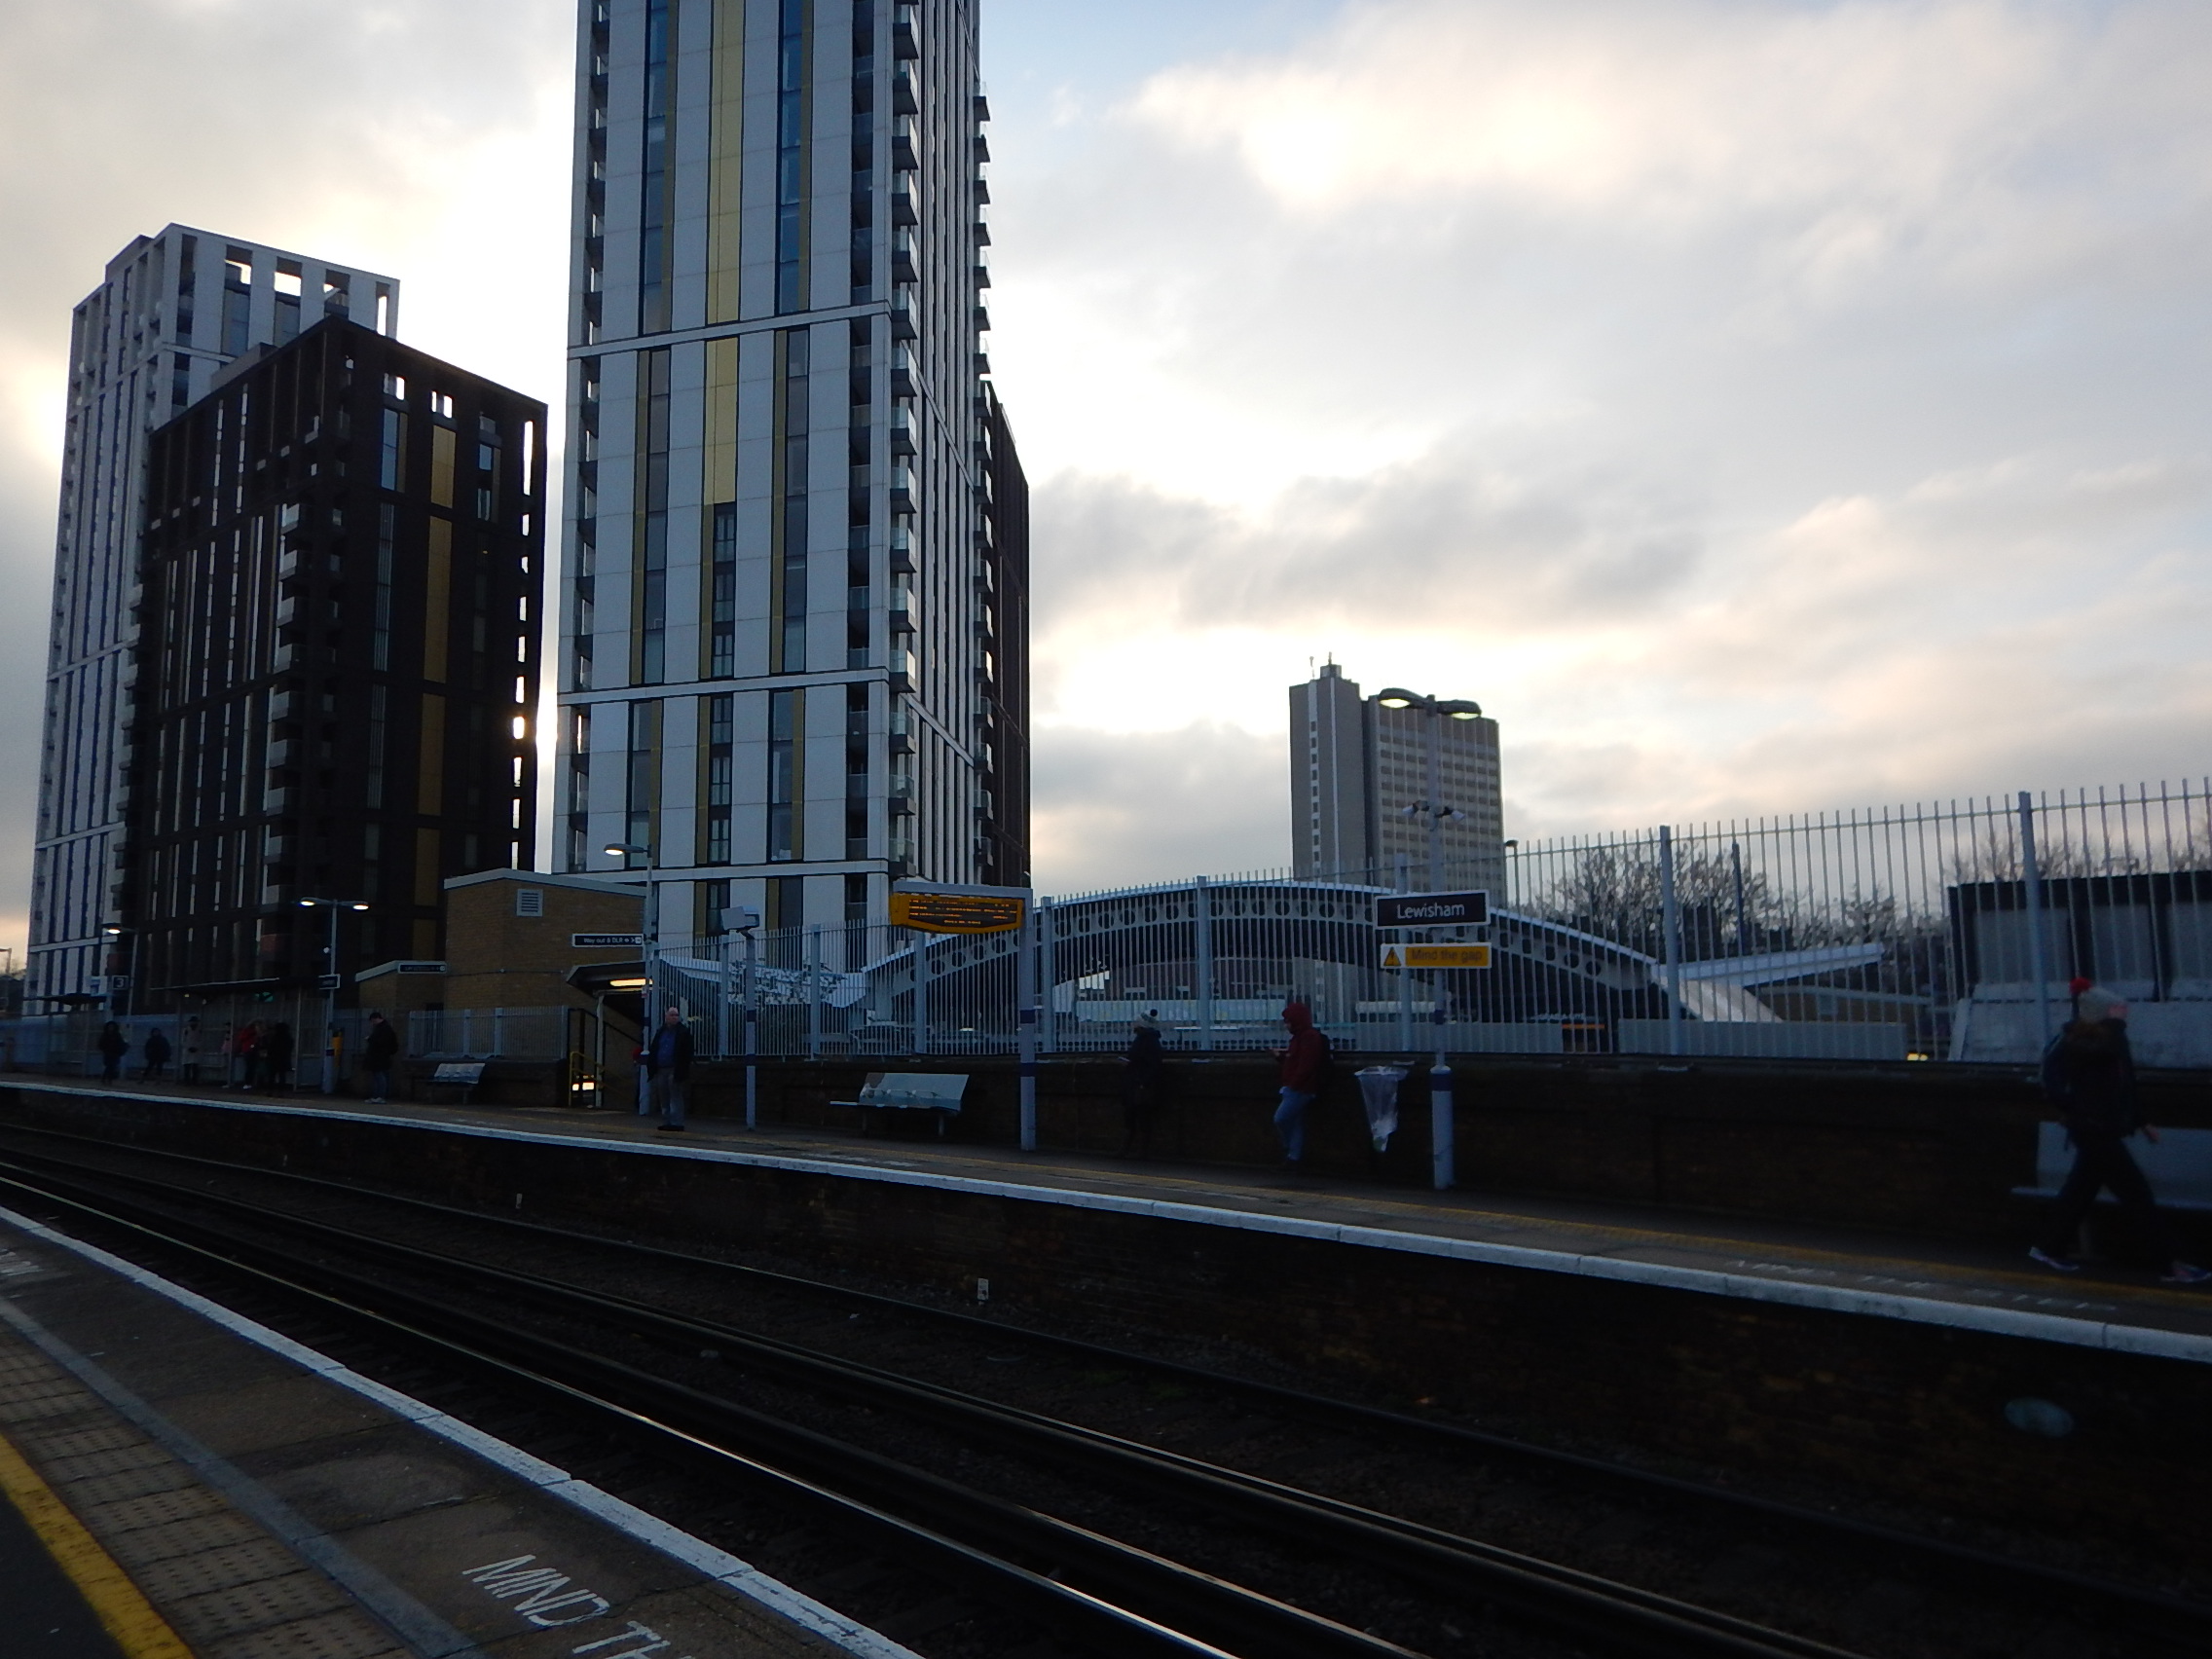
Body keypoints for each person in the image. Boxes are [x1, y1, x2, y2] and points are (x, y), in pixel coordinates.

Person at [2031, 982, 2210, 1285]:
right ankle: (2170, 1263)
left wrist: (2141, 1120)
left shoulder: (2108, 1039)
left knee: (2081, 1190)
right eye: (2117, 1007)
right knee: (2136, 1194)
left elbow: (2122, 1087)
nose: (2124, 1010)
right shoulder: (2092, 1041)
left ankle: (2049, 1247)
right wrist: (2078, 1110)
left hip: (2098, 1127)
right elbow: (2079, 1080)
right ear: (2104, 1013)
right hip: (2095, 1129)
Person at [1272, 1002, 1328, 1172]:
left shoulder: (1307, 1037)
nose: (1286, 1025)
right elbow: (1297, 1061)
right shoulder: (1301, 1037)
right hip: (1298, 1087)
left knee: (1281, 1118)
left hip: (1300, 1088)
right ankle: (1293, 1158)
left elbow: (1306, 1065)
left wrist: (1293, 1084)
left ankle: (1289, 1149)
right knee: (1295, 1123)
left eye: (1288, 1021)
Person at [1120, 1012, 1166, 1159]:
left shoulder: (1144, 1040)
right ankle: (1135, 1150)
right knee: (1138, 1117)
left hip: (1139, 1084)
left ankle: (1133, 1150)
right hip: (1139, 1083)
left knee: (1137, 1117)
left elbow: (1149, 1064)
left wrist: (1143, 1081)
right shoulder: (1150, 1040)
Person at [644, 1007, 693, 1131]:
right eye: (672, 1015)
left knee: (675, 1095)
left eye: (676, 1015)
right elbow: (655, 1048)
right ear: (666, 1017)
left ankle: (676, 1122)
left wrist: (683, 1067)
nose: (674, 1017)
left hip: (674, 1068)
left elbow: (687, 1052)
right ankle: (667, 1121)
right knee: (664, 1096)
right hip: (661, 1068)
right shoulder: (661, 1032)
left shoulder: (683, 1032)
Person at [362, 1012, 399, 1104]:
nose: (372, 1023)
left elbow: (379, 1042)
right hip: (383, 1056)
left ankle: (379, 1096)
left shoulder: (383, 1029)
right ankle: (377, 1096)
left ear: (376, 1019)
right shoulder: (386, 1028)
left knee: (379, 1077)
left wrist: (370, 1039)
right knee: (380, 1076)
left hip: (379, 1057)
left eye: (373, 1021)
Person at [261, 1022, 294, 1094]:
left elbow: (270, 1047)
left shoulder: (274, 1037)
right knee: (282, 1076)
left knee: (271, 1076)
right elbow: (290, 1048)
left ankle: (270, 1091)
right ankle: (281, 1092)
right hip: (284, 1059)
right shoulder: (288, 1038)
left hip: (273, 1059)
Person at [178, 1017, 203, 1085]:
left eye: (195, 1022)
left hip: (196, 1050)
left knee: (195, 1066)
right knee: (187, 1066)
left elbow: (201, 1040)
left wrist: (196, 1047)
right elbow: (182, 1040)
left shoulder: (199, 1030)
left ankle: (194, 1081)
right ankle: (186, 1081)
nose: (194, 1023)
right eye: (193, 1022)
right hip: (187, 1050)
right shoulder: (186, 1030)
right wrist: (188, 1047)